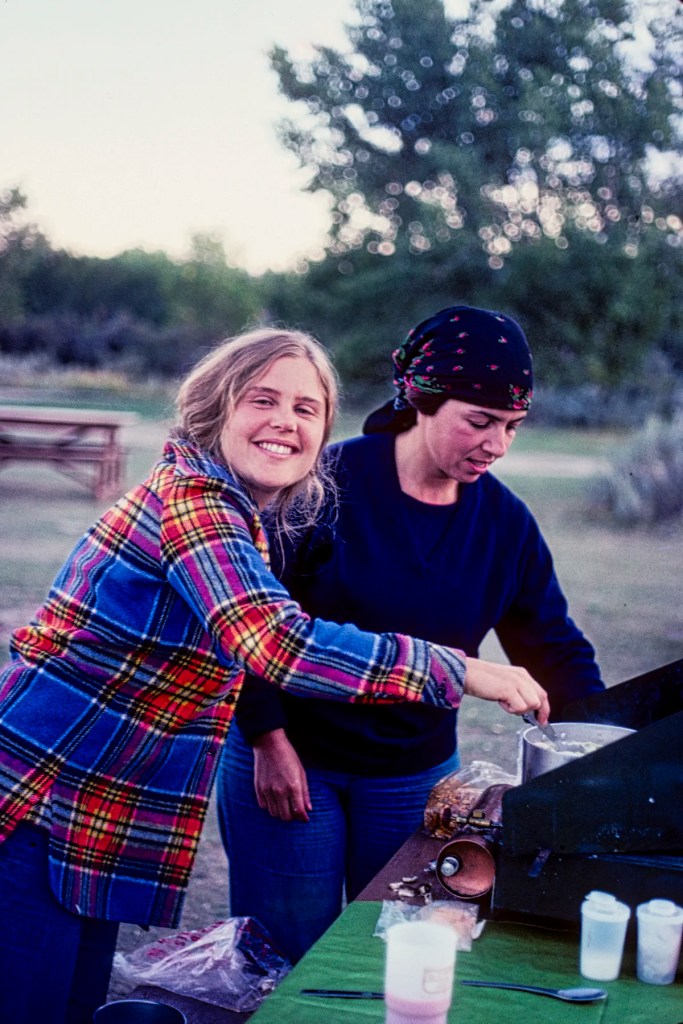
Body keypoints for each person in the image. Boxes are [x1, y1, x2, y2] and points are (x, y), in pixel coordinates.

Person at [0, 326, 548, 1024]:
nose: (285, 422)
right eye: (263, 400)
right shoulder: (194, 504)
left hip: (90, 814)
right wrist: (460, 668)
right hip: (35, 806)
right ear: (214, 408)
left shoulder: (238, 511)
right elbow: (276, 643)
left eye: (306, 409)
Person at [217, 306, 605, 963]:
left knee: (396, 955)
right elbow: (249, 623)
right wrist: (266, 738)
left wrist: (606, 749)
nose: (496, 444)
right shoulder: (323, 486)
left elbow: (552, 645)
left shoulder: (503, 524)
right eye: (479, 421)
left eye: (511, 426)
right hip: (290, 758)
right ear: (422, 400)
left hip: (413, 776)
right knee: (282, 961)